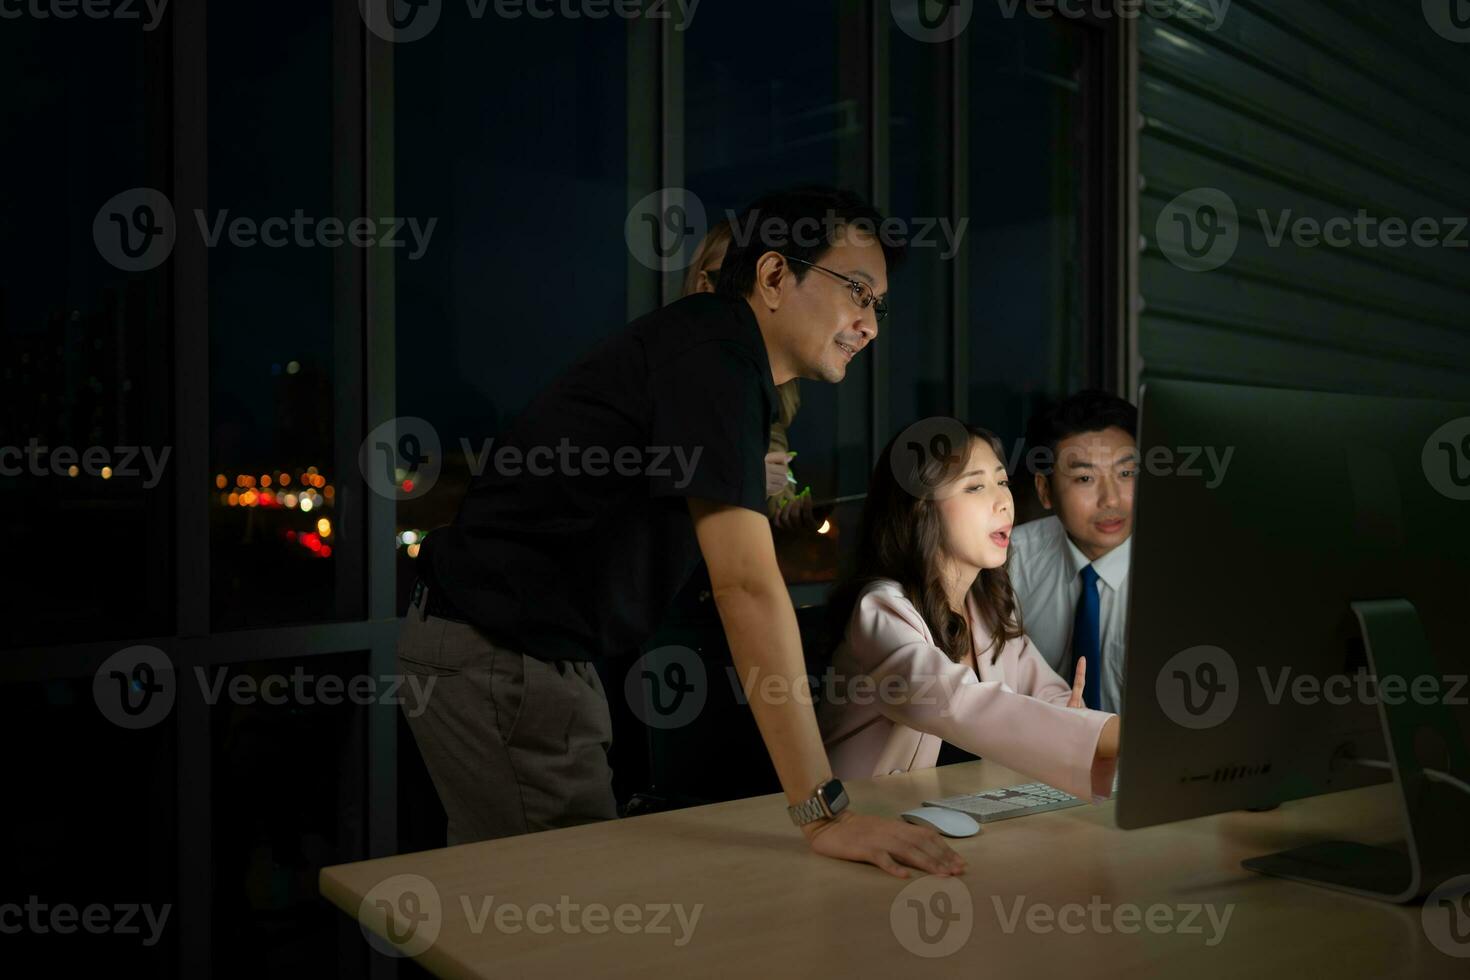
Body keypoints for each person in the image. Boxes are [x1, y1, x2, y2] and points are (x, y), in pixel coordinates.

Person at [399, 185, 965, 880]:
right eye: (856, 290)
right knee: (556, 913)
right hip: (504, 655)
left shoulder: (712, 357)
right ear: (775, 276)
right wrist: (826, 813)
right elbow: (747, 587)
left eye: (876, 304)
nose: (869, 323)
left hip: (515, 650)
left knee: (511, 907)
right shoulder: (714, 353)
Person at [818, 421, 1119, 803]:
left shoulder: (988, 610)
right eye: (976, 486)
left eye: (1003, 482)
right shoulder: (878, 609)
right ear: (919, 509)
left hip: (944, 817)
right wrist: (1116, 736)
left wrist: (1072, 722)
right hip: (861, 823)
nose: (1003, 501)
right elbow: (953, 703)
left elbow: (1049, 699)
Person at [1008, 391, 1138, 714]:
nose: (1111, 500)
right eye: (1085, 478)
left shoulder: (1186, 569)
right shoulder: (1010, 562)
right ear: (1044, 491)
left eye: (1126, 474)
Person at [684, 220, 815, 530]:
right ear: (706, 285)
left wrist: (784, 501)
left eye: (769, 282)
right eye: (740, 283)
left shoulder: (771, 381)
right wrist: (747, 477)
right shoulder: (679, 372)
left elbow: (776, 467)